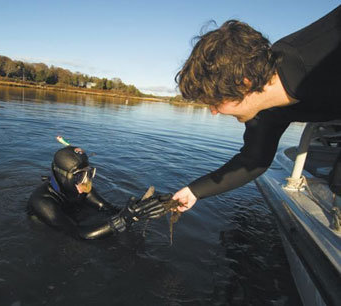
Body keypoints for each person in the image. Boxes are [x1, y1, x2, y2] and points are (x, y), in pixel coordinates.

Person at [172, 5, 341, 212]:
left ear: (245, 83)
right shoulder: (263, 112)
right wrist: (194, 191)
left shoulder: (320, 61)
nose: (214, 111)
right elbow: (254, 160)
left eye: (215, 102)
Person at [27, 145, 170, 239]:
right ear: (61, 175)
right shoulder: (42, 201)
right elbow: (79, 234)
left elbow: (108, 209)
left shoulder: (82, 189)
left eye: (89, 174)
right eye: (79, 176)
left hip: (74, 219)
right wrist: (122, 220)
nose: (85, 181)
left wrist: (137, 209)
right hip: (48, 232)